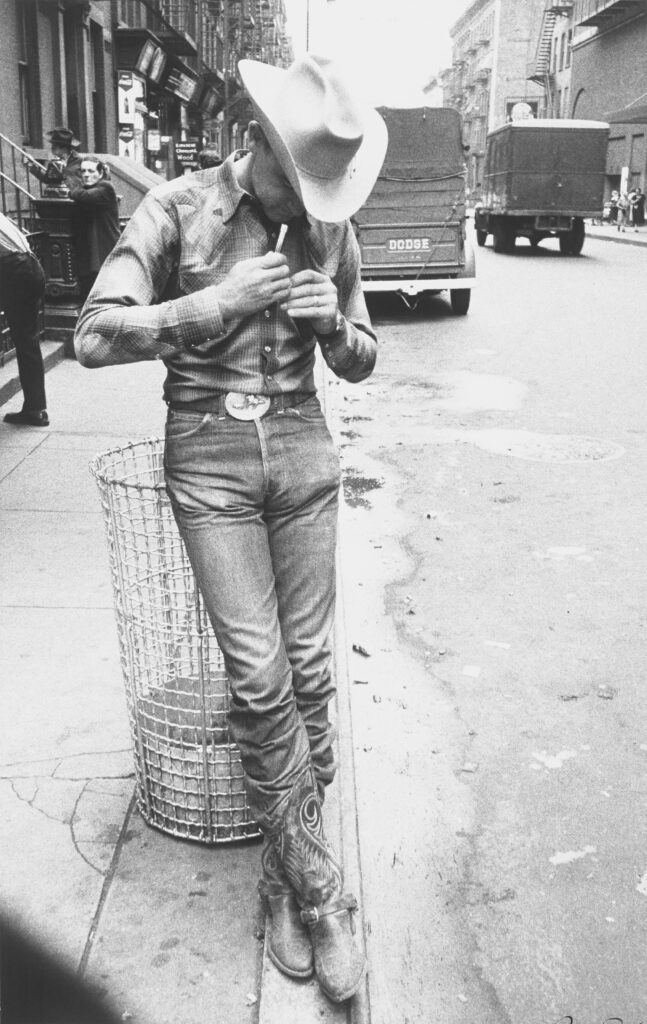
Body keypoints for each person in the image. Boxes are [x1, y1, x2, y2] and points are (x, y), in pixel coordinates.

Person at [74, 54, 387, 1003]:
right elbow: (92, 333)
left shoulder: (331, 230)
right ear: (257, 142)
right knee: (258, 675)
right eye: (303, 180)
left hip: (303, 446)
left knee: (313, 668)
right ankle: (322, 895)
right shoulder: (172, 208)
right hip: (207, 451)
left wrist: (334, 327)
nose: (315, 204)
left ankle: (293, 872)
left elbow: (366, 357)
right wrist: (212, 306)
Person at [0, 212, 48, 427]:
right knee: (27, 341)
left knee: (25, 340)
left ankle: (34, 409)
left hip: (13, 268)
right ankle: (35, 409)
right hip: (29, 265)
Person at [67, 155, 120, 302]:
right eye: (83, 171)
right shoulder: (88, 188)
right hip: (90, 253)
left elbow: (84, 195)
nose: (86, 175)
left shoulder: (105, 188)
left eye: (90, 171)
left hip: (104, 252)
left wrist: (72, 190)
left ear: (101, 173)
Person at [24, 127, 83, 195]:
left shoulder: (79, 161)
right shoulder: (54, 162)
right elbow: (47, 179)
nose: (52, 149)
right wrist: (32, 165)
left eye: (54, 147)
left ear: (64, 149)